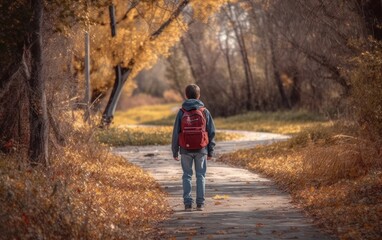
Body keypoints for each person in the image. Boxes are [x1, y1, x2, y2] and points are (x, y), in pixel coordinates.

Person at [171, 84, 216, 211]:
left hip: (185, 149)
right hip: (201, 149)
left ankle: (187, 203)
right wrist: (210, 151)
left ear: (186, 95)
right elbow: (211, 132)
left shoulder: (181, 112)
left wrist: (175, 150)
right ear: (199, 95)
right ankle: (200, 204)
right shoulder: (204, 111)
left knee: (187, 175)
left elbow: (176, 133)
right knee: (201, 176)